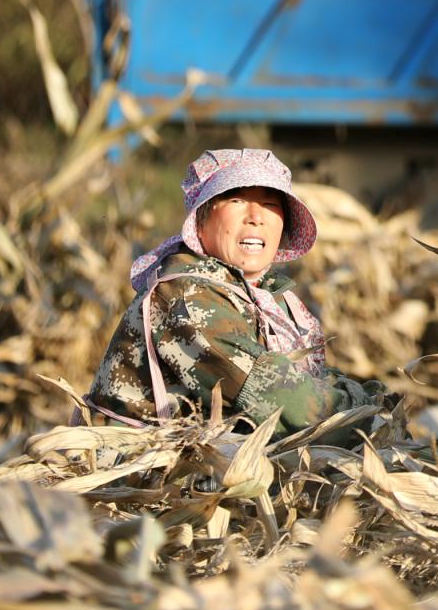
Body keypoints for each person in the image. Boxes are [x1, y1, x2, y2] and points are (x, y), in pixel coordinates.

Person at [89, 148, 385, 434]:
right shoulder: (184, 296)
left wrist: (371, 401)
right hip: (148, 472)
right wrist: (372, 410)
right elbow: (287, 405)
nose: (256, 216)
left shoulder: (274, 300)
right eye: (236, 200)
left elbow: (309, 381)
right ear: (201, 221)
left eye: (270, 205)